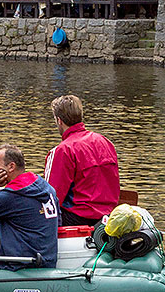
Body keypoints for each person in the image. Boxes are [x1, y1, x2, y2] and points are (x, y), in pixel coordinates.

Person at [44, 95, 121, 233]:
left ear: (59, 121)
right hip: (107, 217)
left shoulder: (63, 150)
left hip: (77, 218)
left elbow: (51, 197)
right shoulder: (105, 142)